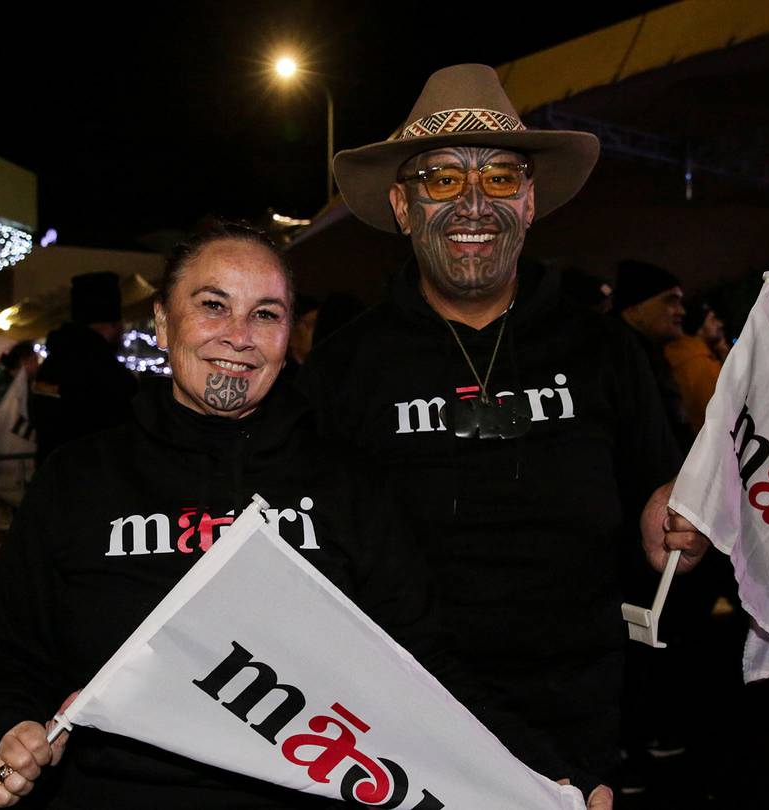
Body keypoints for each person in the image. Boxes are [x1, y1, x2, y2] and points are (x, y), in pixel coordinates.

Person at [0, 224, 608, 809]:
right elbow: (9, 656)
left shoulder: (348, 485)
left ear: (288, 336)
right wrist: (6, 732)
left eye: (265, 314)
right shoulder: (78, 479)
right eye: (212, 305)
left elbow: (426, 666)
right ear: (161, 321)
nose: (239, 336)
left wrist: (546, 774)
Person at [299, 64, 708, 790]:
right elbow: (311, 547)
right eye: (442, 179)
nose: (473, 203)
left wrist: (677, 521)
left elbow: (662, 492)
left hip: (574, 718)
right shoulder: (343, 368)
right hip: (400, 721)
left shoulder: (606, 350)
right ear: (402, 205)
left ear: (530, 200)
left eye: (499, 178)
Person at [30, 272, 139, 463]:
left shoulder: (52, 363)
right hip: (91, 472)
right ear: (114, 324)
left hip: (52, 469)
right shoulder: (106, 371)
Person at [614, 259, 692, 448]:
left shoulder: (649, 356)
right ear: (633, 311)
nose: (681, 311)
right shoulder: (624, 366)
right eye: (670, 301)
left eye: (680, 302)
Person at [664, 297, 727, 434]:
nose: (719, 324)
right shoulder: (697, 362)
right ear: (699, 329)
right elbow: (723, 414)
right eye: (712, 320)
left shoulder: (694, 354)